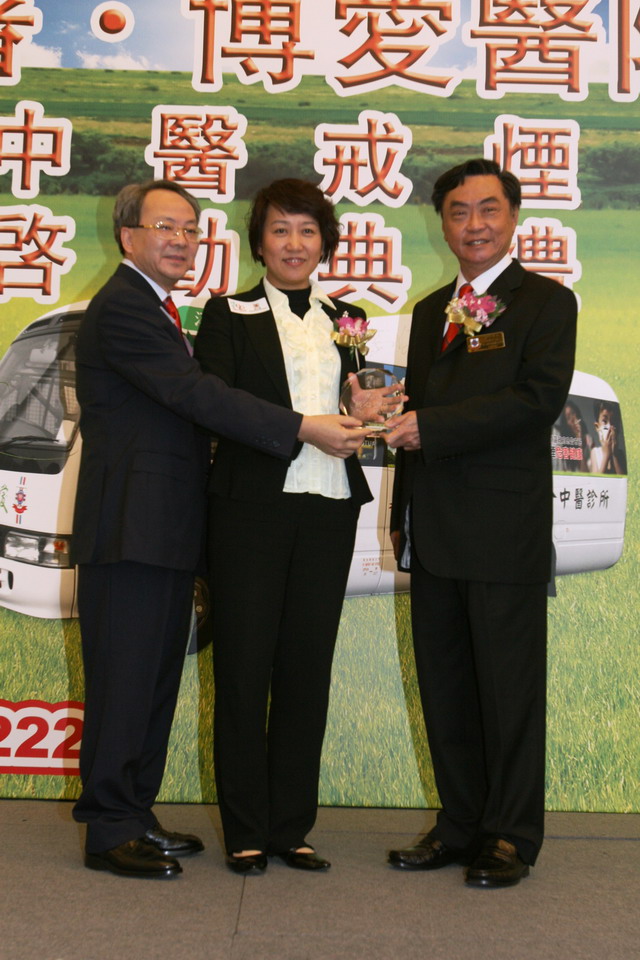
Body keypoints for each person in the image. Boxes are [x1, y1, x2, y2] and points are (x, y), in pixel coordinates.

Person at [71, 179, 365, 879]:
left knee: (150, 679)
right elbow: (198, 395)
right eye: (164, 227)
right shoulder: (128, 308)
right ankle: (111, 827)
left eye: (189, 228)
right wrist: (303, 427)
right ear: (128, 236)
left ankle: (133, 815)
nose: (180, 240)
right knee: (125, 677)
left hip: (169, 523)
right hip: (133, 523)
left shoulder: (157, 307)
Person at [385, 159, 577, 887]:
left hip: (502, 529)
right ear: (442, 224)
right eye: (459, 212)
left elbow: (536, 400)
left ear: (514, 217)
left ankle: (511, 836)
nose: (475, 225)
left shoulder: (546, 303)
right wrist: (401, 514)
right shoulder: (432, 310)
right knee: (446, 687)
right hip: (433, 529)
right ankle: (459, 825)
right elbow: (414, 416)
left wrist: (431, 428)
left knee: (507, 692)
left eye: (489, 209)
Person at [194, 178, 372, 874]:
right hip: (250, 509)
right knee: (243, 667)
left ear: (325, 242)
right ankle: (245, 828)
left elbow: (352, 413)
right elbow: (216, 405)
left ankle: (291, 826)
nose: (294, 244)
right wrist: (303, 429)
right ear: (259, 242)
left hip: (328, 508)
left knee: (306, 668)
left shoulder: (348, 317)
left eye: (307, 230)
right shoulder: (227, 313)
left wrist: (367, 411)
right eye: (279, 230)